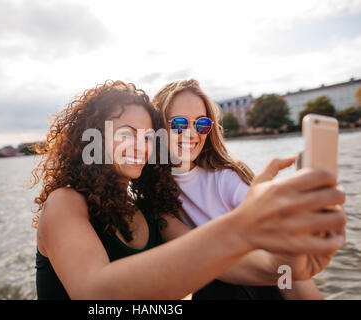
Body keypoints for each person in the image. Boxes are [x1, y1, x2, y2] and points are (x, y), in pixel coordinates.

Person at [30, 80, 346, 300]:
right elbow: (95, 293)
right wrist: (243, 228)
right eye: (128, 133)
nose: (141, 144)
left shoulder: (149, 211)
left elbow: (224, 263)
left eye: (148, 135)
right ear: (92, 139)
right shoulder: (65, 202)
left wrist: (288, 266)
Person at [152, 78, 337, 299]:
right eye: (179, 124)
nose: (192, 134)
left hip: (265, 284)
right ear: (158, 127)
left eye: (201, 124)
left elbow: (284, 260)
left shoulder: (224, 178)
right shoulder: (155, 193)